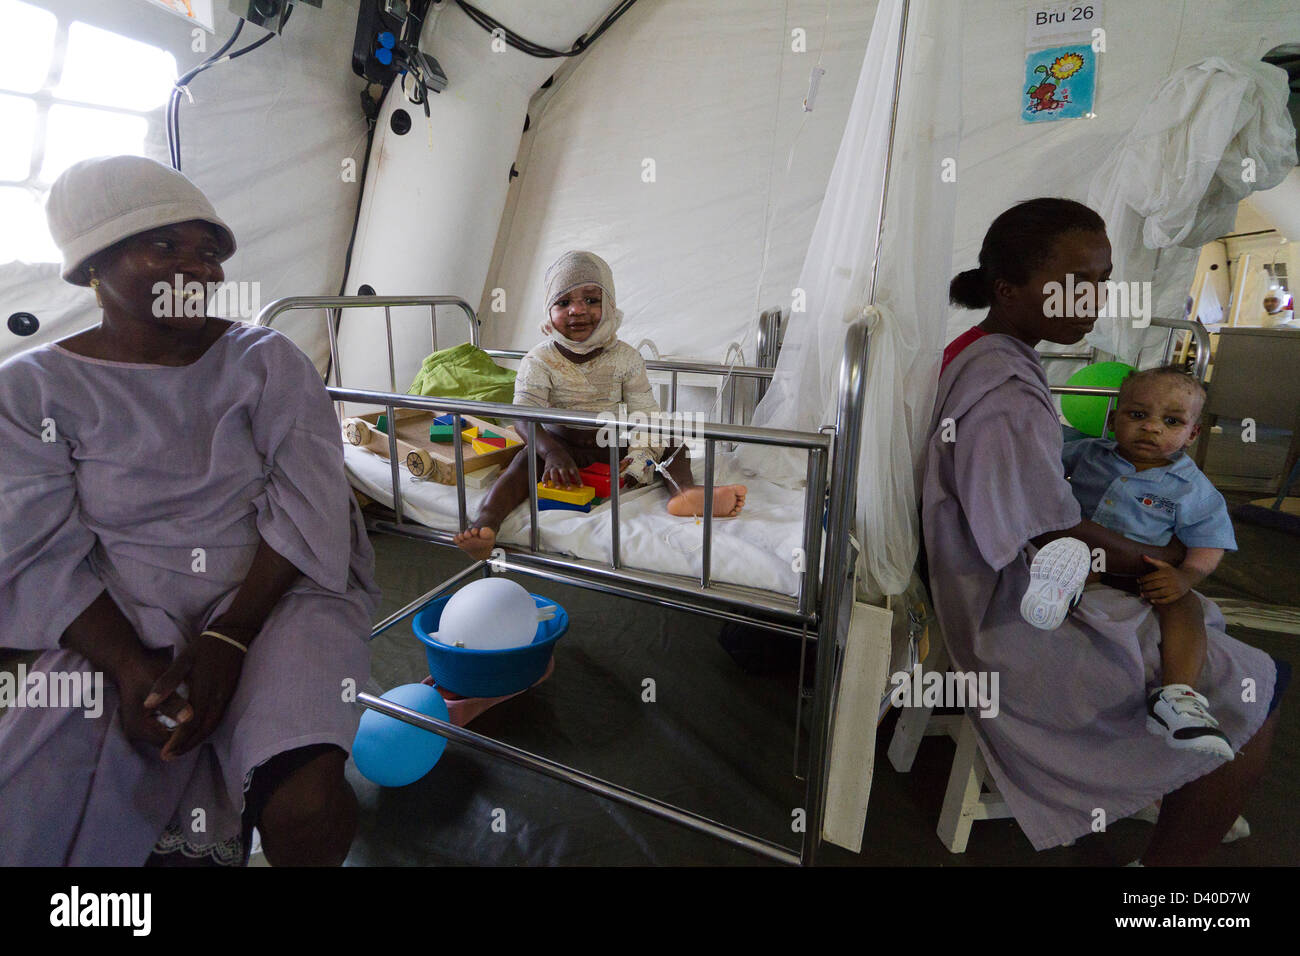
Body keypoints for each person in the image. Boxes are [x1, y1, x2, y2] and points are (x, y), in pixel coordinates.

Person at [0, 155, 380, 866]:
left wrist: (232, 638)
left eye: (209, 252)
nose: (199, 269)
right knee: (36, 799)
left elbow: (309, 505)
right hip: (117, 610)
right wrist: (127, 665)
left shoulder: (266, 362)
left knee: (307, 805)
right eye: (165, 246)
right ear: (91, 266)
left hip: (280, 592)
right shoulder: (31, 392)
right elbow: (35, 548)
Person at [925, 197, 1286, 864]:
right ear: (1008, 290)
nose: (1094, 297)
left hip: (1011, 571)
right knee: (1256, 686)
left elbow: (1039, 494)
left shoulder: (986, 355)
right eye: (1076, 282)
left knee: (1197, 623)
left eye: (1102, 278)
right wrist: (1162, 559)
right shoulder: (1003, 389)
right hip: (1012, 603)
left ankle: (1187, 780)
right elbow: (1041, 534)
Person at [453, 250, 746, 560]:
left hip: (610, 442)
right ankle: (486, 522)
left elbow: (646, 415)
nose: (577, 310)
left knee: (672, 440)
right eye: (563, 302)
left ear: (610, 305)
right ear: (548, 310)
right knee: (524, 462)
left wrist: (640, 456)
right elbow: (523, 417)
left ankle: (684, 493)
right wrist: (551, 452)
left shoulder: (626, 358)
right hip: (559, 448)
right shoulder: (539, 360)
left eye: (591, 300)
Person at [1024, 367, 1237, 760]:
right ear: (1113, 419)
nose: (1152, 428)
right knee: (1069, 558)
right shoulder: (1086, 454)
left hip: (1144, 576)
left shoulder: (1193, 490)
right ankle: (1053, 595)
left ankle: (1177, 697)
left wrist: (1186, 576)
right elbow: (1039, 462)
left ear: (1192, 433)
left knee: (1185, 605)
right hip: (1083, 557)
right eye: (1137, 415)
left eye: (1171, 421)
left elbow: (1209, 545)